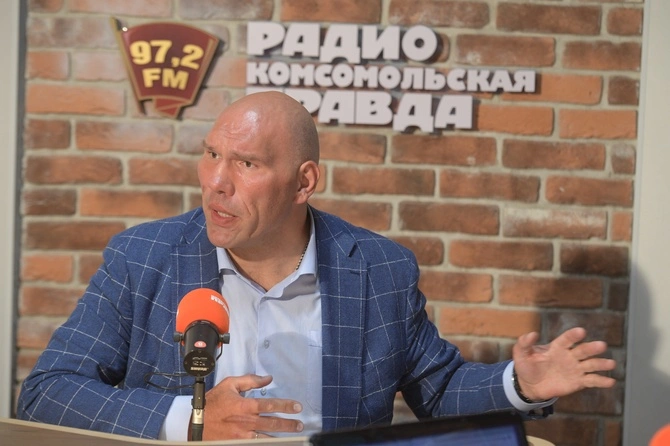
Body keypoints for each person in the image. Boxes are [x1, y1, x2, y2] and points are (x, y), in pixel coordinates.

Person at [17, 91, 616, 441]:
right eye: (212, 154)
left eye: (246, 164)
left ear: (304, 182)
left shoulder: (379, 271)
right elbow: (47, 394)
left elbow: (439, 390)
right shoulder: (142, 257)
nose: (216, 182)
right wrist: (192, 420)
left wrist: (520, 385)